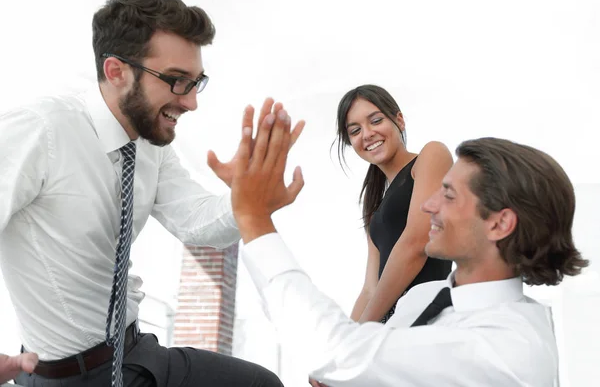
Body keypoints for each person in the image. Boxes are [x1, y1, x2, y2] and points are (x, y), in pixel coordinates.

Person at [0, 0, 303, 387]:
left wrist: (247, 201)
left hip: (136, 351)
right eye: (177, 81)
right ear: (116, 71)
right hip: (67, 375)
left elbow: (195, 222)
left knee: (259, 384)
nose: (191, 102)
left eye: (197, 82)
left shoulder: (148, 144)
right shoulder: (41, 130)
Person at [229, 110, 589, 387]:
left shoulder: (511, 349)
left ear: (499, 223)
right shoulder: (424, 298)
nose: (429, 205)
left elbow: (341, 352)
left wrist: (254, 218)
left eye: (448, 194)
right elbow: (358, 356)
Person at [334, 85, 453, 325]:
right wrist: (347, 341)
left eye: (376, 120)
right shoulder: (374, 204)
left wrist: (364, 335)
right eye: (355, 130)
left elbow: (416, 242)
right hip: (390, 329)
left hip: (428, 320)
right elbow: (370, 288)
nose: (367, 134)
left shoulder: (431, 156)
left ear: (399, 120)